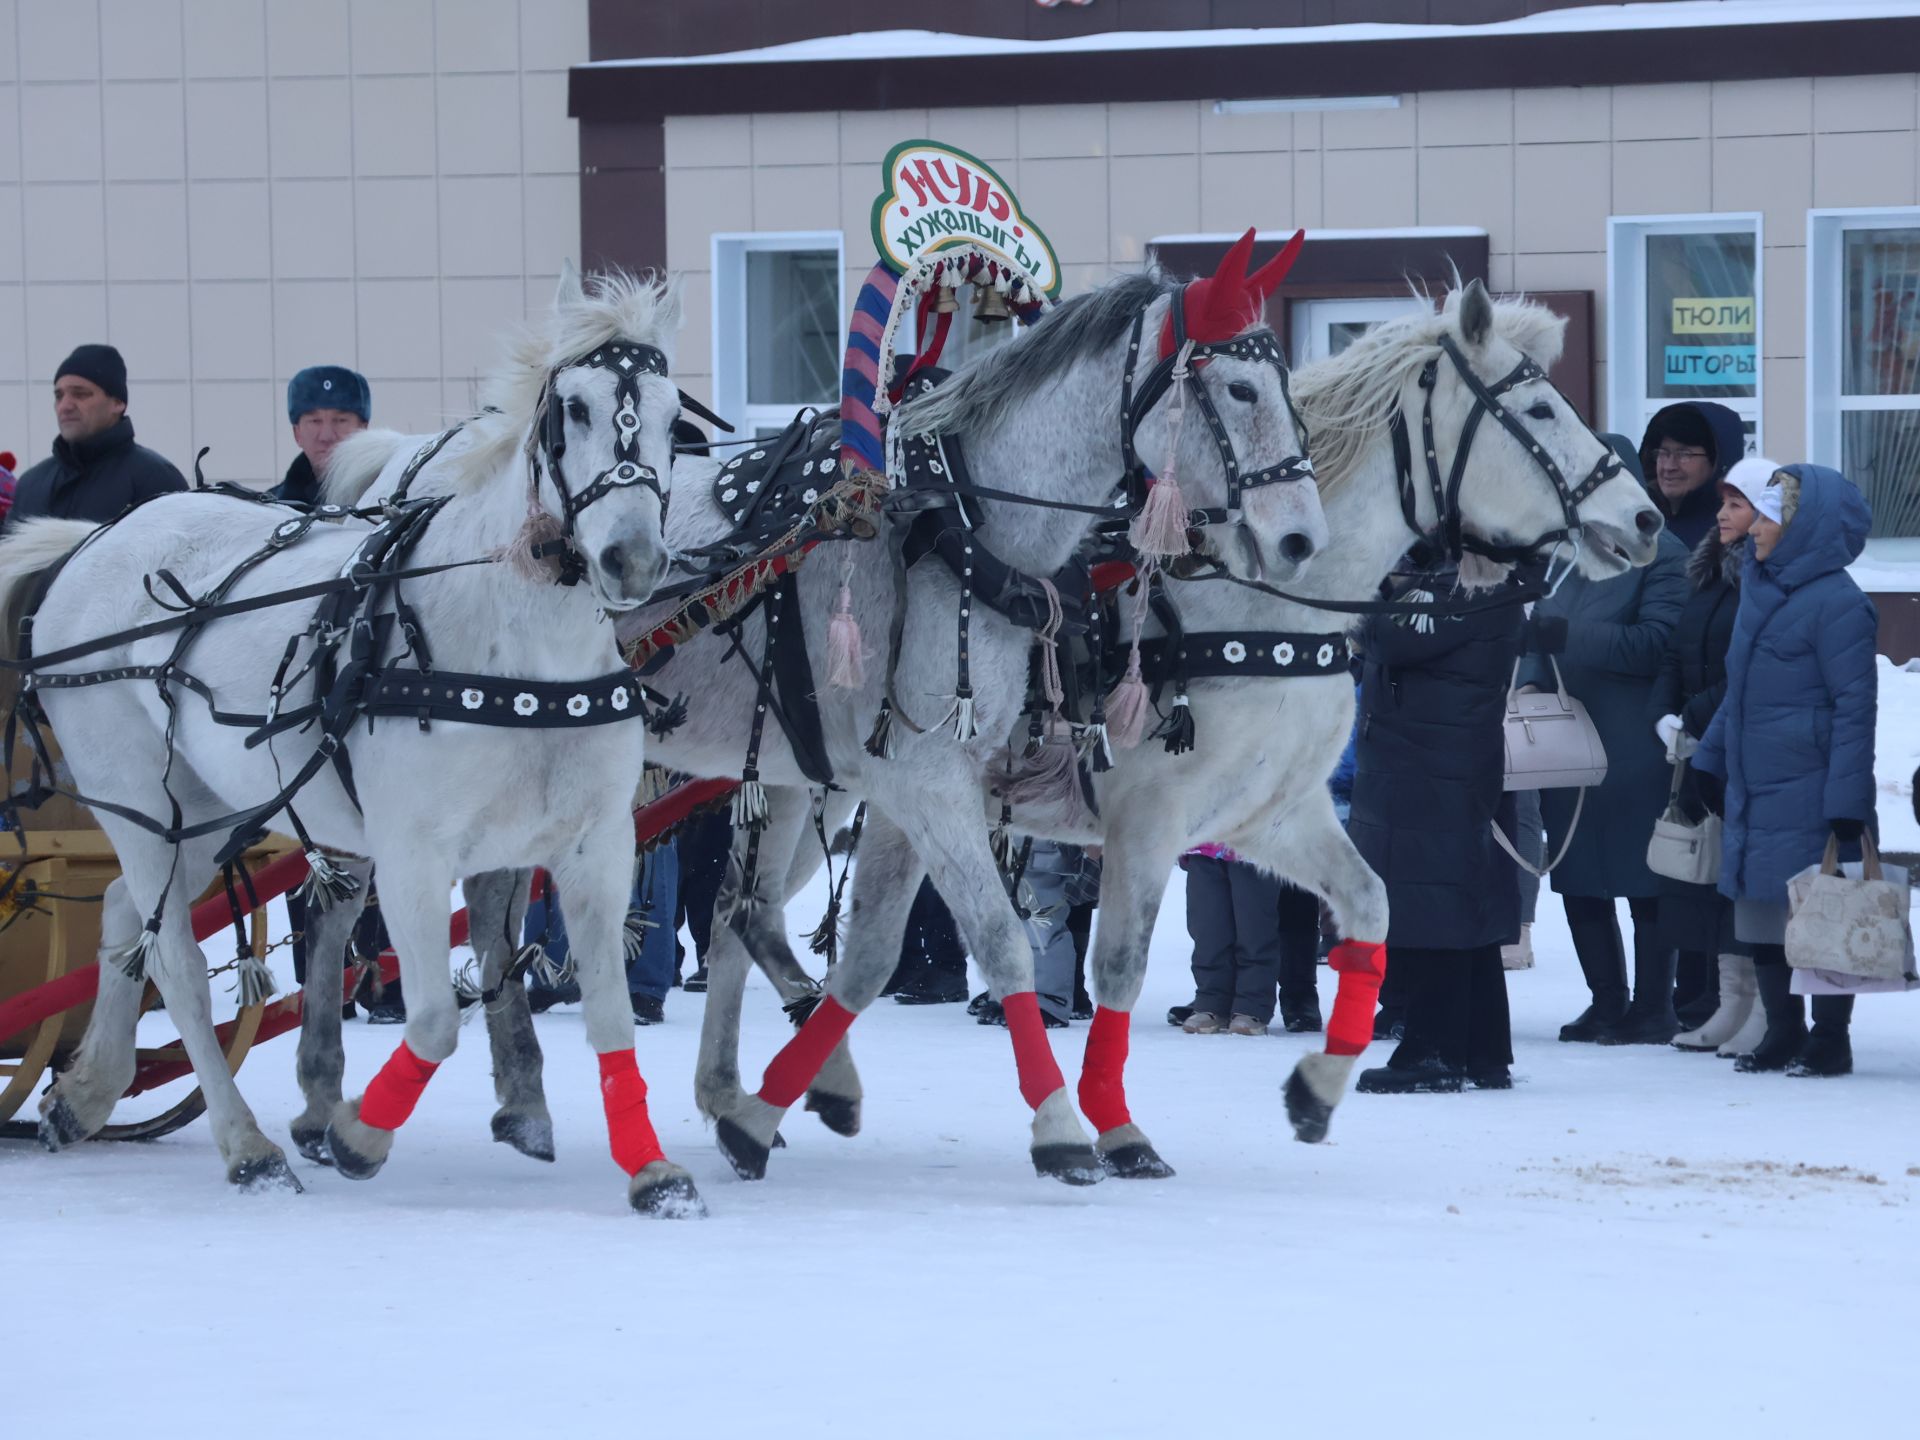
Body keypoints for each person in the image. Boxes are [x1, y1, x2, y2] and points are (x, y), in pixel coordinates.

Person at [1694, 464, 1878, 1077]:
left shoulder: (1841, 603)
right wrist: (1709, 759)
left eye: (1769, 517)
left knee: (1821, 913)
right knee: (1762, 912)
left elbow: (1856, 709)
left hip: (1813, 784)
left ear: (1804, 527)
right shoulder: (1760, 586)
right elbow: (1739, 690)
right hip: (1756, 780)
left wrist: (1846, 803)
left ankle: (1830, 1038)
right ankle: (1783, 1030)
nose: (1756, 527)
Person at [1521, 437, 1688, 1045]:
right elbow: (1535, 638)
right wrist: (1529, 686)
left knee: (1644, 883)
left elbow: (1657, 645)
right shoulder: (1564, 555)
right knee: (1578, 877)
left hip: (1634, 744)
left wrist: (1566, 637)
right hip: (1568, 742)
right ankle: (1606, 1001)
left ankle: (1653, 1006)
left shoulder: (1664, 555)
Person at [1350, 558, 1526, 1093]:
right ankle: (1482, 1049)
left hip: (1433, 761)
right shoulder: (1477, 579)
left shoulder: (1468, 582)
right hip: (1436, 758)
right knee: (1458, 900)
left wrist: (1373, 590)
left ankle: (1433, 1049)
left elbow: (1389, 638)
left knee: (1433, 905)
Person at [1652, 459, 1766, 1055]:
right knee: (1715, 878)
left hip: (1736, 739)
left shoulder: (1764, 579)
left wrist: (1696, 716)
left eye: (1737, 505)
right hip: (1699, 742)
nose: (1722, 514)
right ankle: (1731, 1002)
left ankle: (1761, 1008)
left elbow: (1748, 665)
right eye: (1722, 504)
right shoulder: (1708, 569)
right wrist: (1664, 712)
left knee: (1744, 878)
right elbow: (1676, 648)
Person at [7, 344, 186, 526]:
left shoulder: (155, 478)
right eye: (59, 396)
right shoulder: (31, 484)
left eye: (80, 394)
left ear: (117, 403)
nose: (65, 406)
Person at [1176, 846, 1284, 1036]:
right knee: (1208, 927)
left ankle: (1252, 1005)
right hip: (1204, 837)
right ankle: (1211, 1002)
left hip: (1254, 838)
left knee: (1253, 928)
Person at [1638, 401, 1746, 549]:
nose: (1669, 466)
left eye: (1684, 454)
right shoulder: (1638, 523)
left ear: (1717, 462)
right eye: (1663, 453)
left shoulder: (1737, 538)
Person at [273, 365, 370, 508]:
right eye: (315, 421)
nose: (326, 436)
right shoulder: (274, 508)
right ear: (297, 433)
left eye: (340, 420)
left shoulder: (390, 505)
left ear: (363, 429)